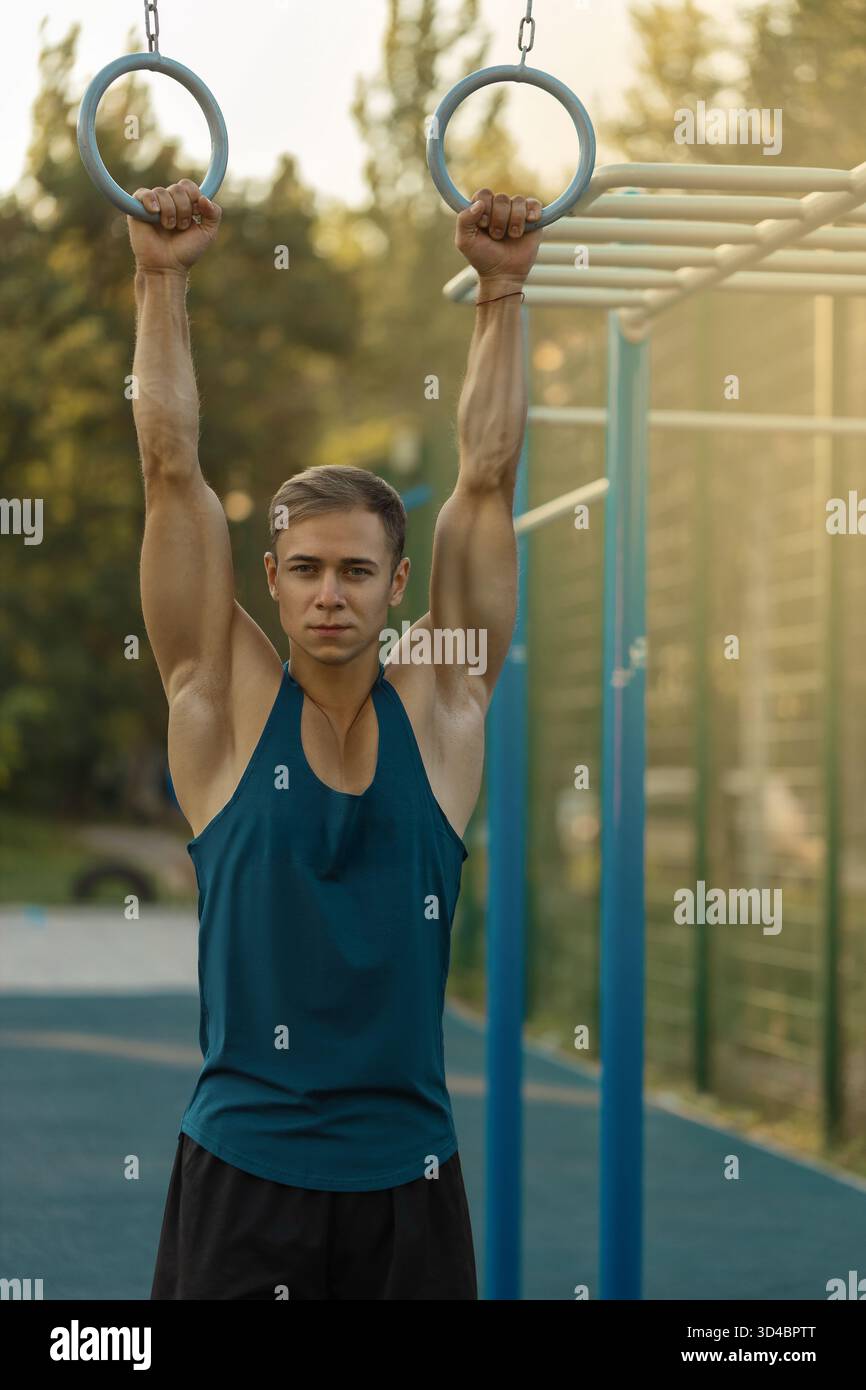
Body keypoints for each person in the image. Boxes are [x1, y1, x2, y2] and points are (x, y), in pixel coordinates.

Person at [132, 177, 541, 1300]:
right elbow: (171, 472)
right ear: (267, 580)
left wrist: (501, 293)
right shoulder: (216, 711)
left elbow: (487, 478)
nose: (328, 594)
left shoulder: (444, 709)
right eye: (304, 569)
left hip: (406, 1187)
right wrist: (159, 277)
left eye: (355, 570)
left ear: (395, 585)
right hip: (241, 1176)